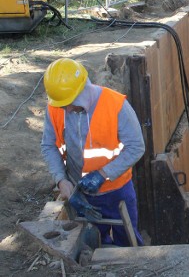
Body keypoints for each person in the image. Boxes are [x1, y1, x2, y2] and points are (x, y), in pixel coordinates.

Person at [41, 58, 145, 247]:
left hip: (116, 190)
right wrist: (61, 180)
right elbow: (49, 146)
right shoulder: (56, 108)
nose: (67, 109)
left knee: (128, 244)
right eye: (63, 105)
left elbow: (136, 147)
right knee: (93, 243)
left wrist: (103, 174)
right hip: (80, 193)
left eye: (70, 103)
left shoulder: (115, 105)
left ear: (82, 91)